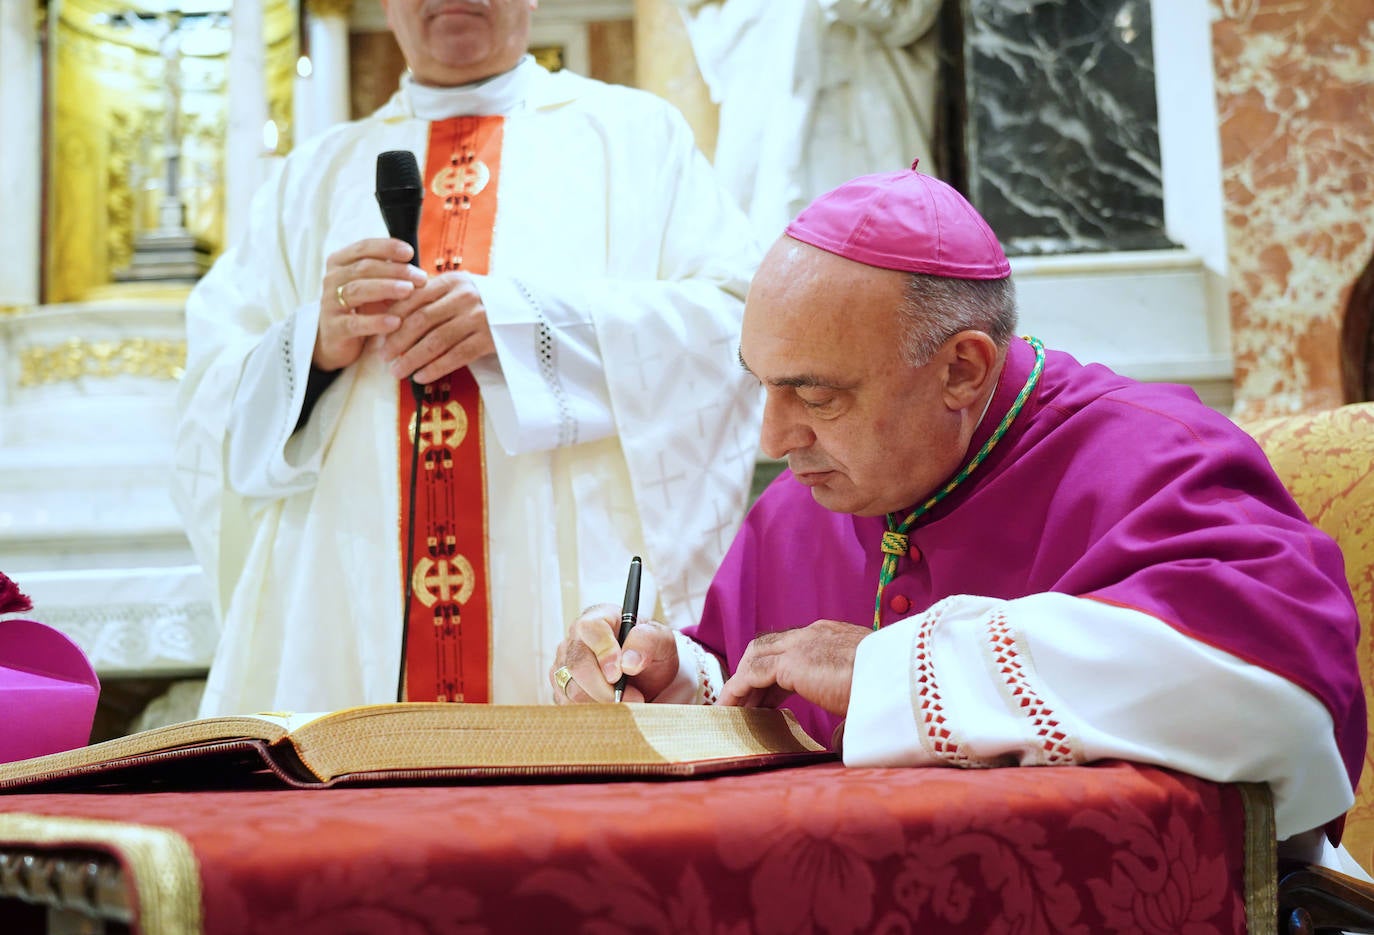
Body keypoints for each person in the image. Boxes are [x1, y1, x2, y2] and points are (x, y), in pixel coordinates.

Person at [551, 163, 1367, 871]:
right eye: (762, 384)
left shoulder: (1158, 459)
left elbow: (1277, 703)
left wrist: (892, 666)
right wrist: (676, 681)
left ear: (963, 369)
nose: (775, 437)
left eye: (817, 393)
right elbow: (748, 675)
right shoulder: (805, 502)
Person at [172, 0, 762, 716]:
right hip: (348, 611)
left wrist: (529, 325)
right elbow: (208, 401)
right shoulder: (314, 177)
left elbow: (739, 325)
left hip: (566, 608)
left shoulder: (634, 139)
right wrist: (314, 346)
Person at [673, 0, 942, 245]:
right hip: (768, 91)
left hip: (859, 103)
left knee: (876, 234)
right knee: (767, 225)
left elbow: (911, 17)